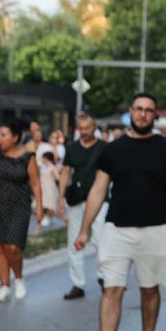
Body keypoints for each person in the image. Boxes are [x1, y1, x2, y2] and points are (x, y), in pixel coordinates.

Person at [74, 93, 166, 331]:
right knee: (112, 288)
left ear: (154, 115)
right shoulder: (112, 149)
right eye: (138, 109)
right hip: (117, 229)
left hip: (156, 229)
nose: (143, 114)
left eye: (149, 110)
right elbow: (98, 191)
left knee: (150, 290)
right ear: (130, 112)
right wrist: (84, 228)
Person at [0, 119, 43, 302]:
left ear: (15, 137)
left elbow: (35, 183)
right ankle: (4, 286)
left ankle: (18, 278)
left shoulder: (28, 157)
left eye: (4, 135)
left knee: (12, 246)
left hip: (20, 206)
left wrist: (40, 208)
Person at [58, 112, 107, 300]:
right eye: (81, 129)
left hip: (101, 201)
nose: (84, 132)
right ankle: (78, 283)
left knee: (101, 240)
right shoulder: (72, 149)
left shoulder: (104, 148)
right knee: (74, 241)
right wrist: (60, 198)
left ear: (95, 128)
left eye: (88, 128)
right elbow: (65, 172)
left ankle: (104, 277)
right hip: (77, 200)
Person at [37, 151, 60, 227]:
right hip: (43, 188)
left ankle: (49, 217)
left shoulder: (52, 167)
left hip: (50, 188)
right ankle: (48, 217)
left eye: (44, 158)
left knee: (49, 205)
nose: (42, 159)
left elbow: (58, 178)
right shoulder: (43, 167)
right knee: (43, 204)